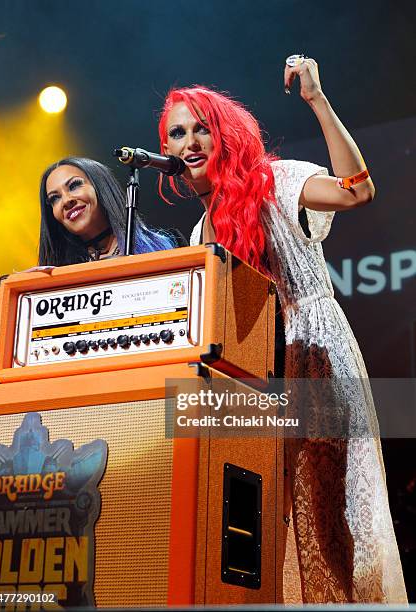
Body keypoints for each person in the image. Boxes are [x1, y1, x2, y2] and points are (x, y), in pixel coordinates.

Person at [157, 57, 408, 603]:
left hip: (311, 351)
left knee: (328, 513)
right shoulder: (201, 230)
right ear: (167, 150)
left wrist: (316, 98)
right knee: (271, 518)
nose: (191, 141)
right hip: (254, 375)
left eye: (203, 126)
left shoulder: (274, 180)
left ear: (224, 133)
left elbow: (355, 191)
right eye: (178, 132)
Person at [38, 156, 180, 266]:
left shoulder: (168, 244)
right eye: (55, 198)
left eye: (74, 185)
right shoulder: (57, 275)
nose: (66, 200)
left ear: (101, 187)